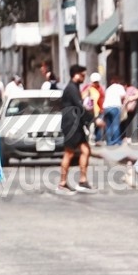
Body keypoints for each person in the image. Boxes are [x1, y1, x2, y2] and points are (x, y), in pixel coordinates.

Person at [58, 65, 93, 193]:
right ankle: (62, 183)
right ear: (75, 75)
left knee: (85, 150)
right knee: (69, 153)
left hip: (76, 125)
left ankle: (82, 181)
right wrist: (92, 119)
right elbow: (79, 106)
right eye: (82, 75)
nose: (84, 78)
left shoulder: (75, 88)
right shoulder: (71, 88)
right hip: (71, 126)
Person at [101, 76, 126, 146]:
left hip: (106, 107)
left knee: (108, 125)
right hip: (115, 107)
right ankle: (117, 141)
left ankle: (109, 141)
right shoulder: (119, 87)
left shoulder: (108, 88)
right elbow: (123, 95)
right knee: (115, 125)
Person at [82, 72, 105, 143]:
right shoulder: (87, 87)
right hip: (88, 111)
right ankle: (87, 139)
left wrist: (101, 109)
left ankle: (98, 140)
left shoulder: (100, 89)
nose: (96, 83)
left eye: (97, 82)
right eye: (95, 82)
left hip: (97, 110)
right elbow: (82, 96)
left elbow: (101, 99)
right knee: (88, 125)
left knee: (98, 125)